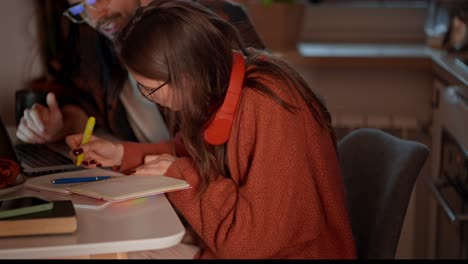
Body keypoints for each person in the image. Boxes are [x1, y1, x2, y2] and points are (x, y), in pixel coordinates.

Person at [65, 0, 357, 259]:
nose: (149, 98)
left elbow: (250, 246)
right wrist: (119, 152)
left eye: (150, 89)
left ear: (186, 77)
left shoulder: (269, 103)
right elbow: (187, 150)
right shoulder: (221, 85)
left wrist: (180, 174)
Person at [16, 0, 265, 145]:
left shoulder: (212, 19)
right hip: (147, 180)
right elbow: (87, 106)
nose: (95, 16)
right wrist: (58, 126)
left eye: (97, 0)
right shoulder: (94, 37)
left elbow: (257, 118)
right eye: (80, 8)